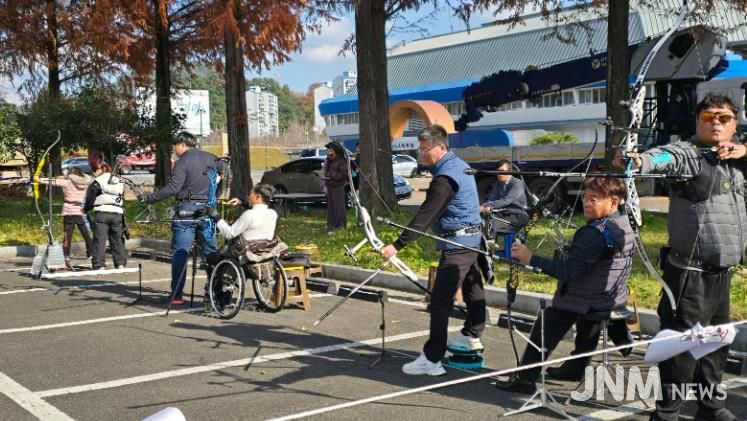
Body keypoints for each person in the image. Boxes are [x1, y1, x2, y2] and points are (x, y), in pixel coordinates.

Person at [617, 93, 745, 421]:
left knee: (716, 343)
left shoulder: (736, 158)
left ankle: (710, 407)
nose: (716, 123)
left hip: (721, 272)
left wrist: (744, 150)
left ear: (735, 124)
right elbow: (664, 157)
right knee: (681, 347)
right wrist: (638, 161)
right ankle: (667, 414)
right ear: (697, 121)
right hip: (690, 273)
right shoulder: (689, 155)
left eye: (724, 118)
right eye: (708, 117)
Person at [496, 177, 634, 392]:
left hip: (589, 298)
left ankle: (524, 379)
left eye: (594, 199)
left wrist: (530, 258)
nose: (586, 203)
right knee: (589, 322)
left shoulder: (594, 234)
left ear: (613, 202)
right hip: (610, 296)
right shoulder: (624, 223)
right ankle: (576, 368)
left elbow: (568, 271)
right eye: (585, 198)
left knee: (547, 323)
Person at [381, 124, 487, 376]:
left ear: (441, 147)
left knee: (440, 301)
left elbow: (425, 215)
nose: (421, 153)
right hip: (472, 241)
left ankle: (432, 358)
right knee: (473, 287)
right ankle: (472, 334)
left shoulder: (444, 179)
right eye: (420, 148)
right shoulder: (459, 165)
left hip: (458, 245)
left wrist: (397, 245)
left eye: (425, 148)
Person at [139, 132, 223, 305]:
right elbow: (227, 173)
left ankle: (177, 295)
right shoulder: (212, 158)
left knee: (181, 253)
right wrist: (216, 192)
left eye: (175, 146)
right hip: (208, 210)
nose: (174, 150)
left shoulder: (182, 162)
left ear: (182, 144)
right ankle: (217, 293)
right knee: (211, 253)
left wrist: (149, 198)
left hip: (186, 210)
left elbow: (173, 188)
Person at [35, 166, 93, 265]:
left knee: (67, 235)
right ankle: (91, 253)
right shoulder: (85, 182)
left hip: (69, 211)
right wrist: (70, 176)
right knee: (86, 234)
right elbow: (89, 178)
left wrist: (39, 179)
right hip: (79, 210)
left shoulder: (67, 182)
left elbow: (52, 181)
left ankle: (66, 255)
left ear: (70, 174)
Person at [84, 163, 128, 270]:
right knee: (117, 239)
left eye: (96, 170)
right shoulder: (119, 181)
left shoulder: (98, 181)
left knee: (99, 239)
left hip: (102, 213)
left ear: (102, 170)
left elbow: (90, 197)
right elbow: (122, 197)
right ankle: (120, 263)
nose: (94, 173)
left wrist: (86, 209)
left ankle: (99, 265)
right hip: (117, 213)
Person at [479, 159, 530, 236]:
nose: (500, 174)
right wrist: (485, 208)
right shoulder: (497, 184)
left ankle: (491, 240)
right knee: (482, 220)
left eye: (502, 171)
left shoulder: (517, 184)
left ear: (510, 171)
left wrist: (485, 205)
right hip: (503, 214)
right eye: (498, 172)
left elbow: (506, 201)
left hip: (518, 215)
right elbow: (491, 200)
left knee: (491, 224)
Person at [322, 141, 348, 234]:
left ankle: (340, 226)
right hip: (330, 186)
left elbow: (343, 175)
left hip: (338, 186)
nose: (329, 151)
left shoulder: (341, 161)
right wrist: (325, 175)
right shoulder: (329, 160)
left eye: (331, 149)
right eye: (329, 149)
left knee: (338, 207)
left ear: (336, 150)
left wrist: (332, 175)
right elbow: (326, 171)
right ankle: (331, 225)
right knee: (331, 207)